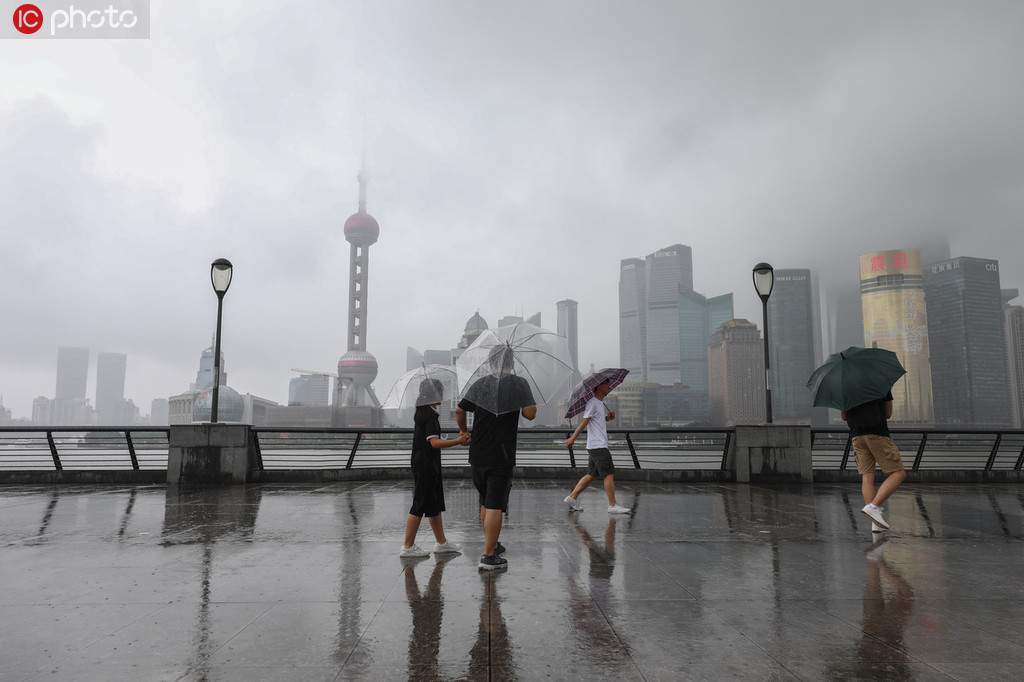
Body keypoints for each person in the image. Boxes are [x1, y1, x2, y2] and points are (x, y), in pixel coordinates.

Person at [456, 345, 536, 571]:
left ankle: (493, 544)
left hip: (478, 453)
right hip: (501, 454)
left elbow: (460, 410)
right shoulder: (519, 383)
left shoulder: (481, 384)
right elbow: (530, 414)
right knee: (495, 505)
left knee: (485, 500)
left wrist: (464, 432)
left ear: (490, 362)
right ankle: (489, 556)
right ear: (512, 362)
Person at [400, 378, 468, 558]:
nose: (442, 395)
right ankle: (407, 546)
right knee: (420, 504)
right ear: (434, 394)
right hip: (426, 465)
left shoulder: (426, 412)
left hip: (425, 463)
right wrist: (458, 441)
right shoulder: (429, 416)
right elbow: (435, 443)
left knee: (433, 504)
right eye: (440, 391)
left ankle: (442, 542)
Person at [841, 389, 907, 532]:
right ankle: (873, 506)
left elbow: (843, 416)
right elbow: (888, 414)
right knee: (899, 473)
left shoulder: (845, 388)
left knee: (867, 477)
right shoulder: (880, 384)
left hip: (857, 437)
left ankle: (876, 523)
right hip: (877, 434)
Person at [562, 380, 630, 514]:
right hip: (598, 445)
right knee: (609, 473)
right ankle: (612, 505)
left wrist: (607, 418)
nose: (609, 387)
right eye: (606, 384)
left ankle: (572, 497)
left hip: (596, 445)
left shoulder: (599, 403)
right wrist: (572, 438)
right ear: (599, 386)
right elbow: (584, 423)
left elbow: (596, 420)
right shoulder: (593, 403)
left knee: (592, 474)